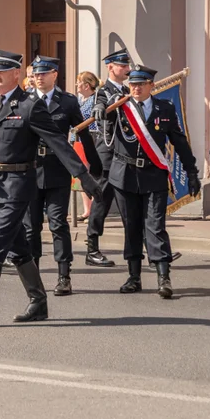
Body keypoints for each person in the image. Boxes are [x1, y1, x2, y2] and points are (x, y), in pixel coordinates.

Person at [0, 50, 102, 325]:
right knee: (19, 248)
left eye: (2, 70)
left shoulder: (29, 106)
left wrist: (85, 177)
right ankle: (38, 302)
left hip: (19, 185)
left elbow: (59, 143)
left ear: (17, 74)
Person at [102, 64, 200, 298]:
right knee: (132, 227)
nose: (135, 88)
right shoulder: (119, 107)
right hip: (124, 175)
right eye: (132, 84)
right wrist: (99, 107)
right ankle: (134, 277)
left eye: (140, 84)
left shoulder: (164, 108)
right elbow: (95, 103)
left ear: (151, 86)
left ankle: (163, 277)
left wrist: (192, 171)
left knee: (155, 226)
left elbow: (179, 141)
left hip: (153, 175)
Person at [24, 56, 101, 295]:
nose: (39, 77)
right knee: (31, 227)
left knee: (58, 223)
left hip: (57, 169)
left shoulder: (67, 102)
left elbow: (83, 133)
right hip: (29, 170)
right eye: (36, 73)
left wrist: (94, 166)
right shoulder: (24, 100)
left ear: (55, 75)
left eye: (44, 73)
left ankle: (63, 275)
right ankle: (33, 277)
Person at [84, 49, 133, 268]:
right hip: (108, 156)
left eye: (127, 66)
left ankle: (141, 250)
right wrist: (100, 107)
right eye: (122, 66)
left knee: (129, 206)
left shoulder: (131, 90)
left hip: (127, 157)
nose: (127, 69)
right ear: (110, 67)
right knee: (101, 204)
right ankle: (92, 249)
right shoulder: (103, 92)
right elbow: (100, 104)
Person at [74, 71, 100, 223]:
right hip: (77, 140)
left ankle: (94, 208)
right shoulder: (78, 99)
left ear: (87, 85)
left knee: (91, 173)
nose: (77, 85)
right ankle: (87, 209)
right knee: (81, 174)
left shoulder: (95, 99)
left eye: (79, 82)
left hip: (91, 138)